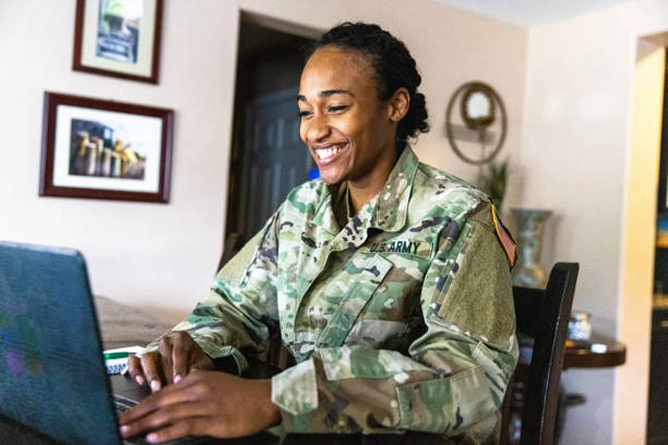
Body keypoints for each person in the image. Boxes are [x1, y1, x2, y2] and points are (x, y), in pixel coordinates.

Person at [119, 21, 518, 444]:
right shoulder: (303, 206)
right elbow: (236, 308)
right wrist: (196, 347)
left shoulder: (460, 217)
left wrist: (279, 398)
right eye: (306, 111)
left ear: (395, 106)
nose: (312, 130)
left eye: (336, 107)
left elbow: (471, 380)